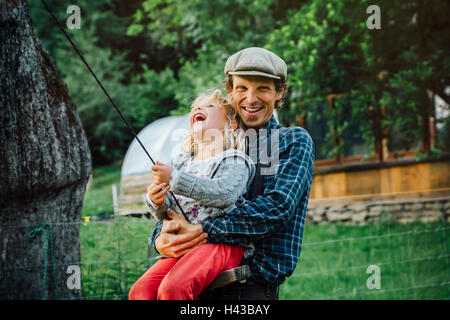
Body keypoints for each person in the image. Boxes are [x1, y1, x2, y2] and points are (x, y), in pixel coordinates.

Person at [152, 47, 315, 300]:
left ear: (279, 91)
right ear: (230, 90)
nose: (251, 99)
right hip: (190, 279)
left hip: (248, 287)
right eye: (241, 88)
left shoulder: (291, 141)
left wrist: (202, 229)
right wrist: (159, 238)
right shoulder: (207, 144)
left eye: (262, 88)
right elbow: (182, 203)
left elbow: (276, 208)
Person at [128, 89, 255, 300]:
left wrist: (175, 179)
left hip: (221, 246)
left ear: (230, 125)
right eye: (196, 106)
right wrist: (156, 200)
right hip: (185, 245)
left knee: (173, 289)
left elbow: (224, 194)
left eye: (209, 106)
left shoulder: (234, 159)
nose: (198, 108)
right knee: (140, 291)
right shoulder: (182, 162)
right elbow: (167, 207)